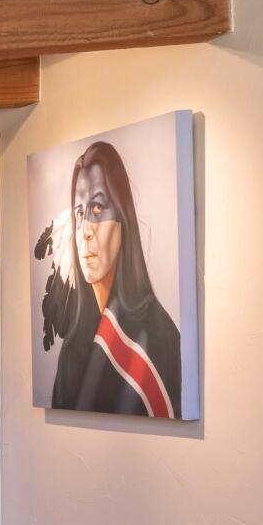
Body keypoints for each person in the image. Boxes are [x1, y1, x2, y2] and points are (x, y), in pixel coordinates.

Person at [39, 140, 182, 416]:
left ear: (123, 218)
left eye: (97, 209)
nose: (86, 231)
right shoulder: (73, 346)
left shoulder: (156, 341)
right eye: (80, 213)